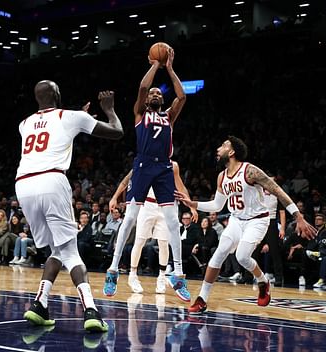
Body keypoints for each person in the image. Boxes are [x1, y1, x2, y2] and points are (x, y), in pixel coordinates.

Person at [16, 80, 123, 332]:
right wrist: (109, 109)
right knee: (72, 252)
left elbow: (53, 127)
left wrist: (80, 116)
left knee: (58, 249)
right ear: (58, 94)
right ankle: (91, 310)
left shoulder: (24, 124)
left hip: (23, 185)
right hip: (52, 179)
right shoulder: (71, 116)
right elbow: (117, 131)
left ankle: (40, 305)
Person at [175, 136, 317, 314]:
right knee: (218, 255)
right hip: (236, 220)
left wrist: (298, 216)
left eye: (223, 145)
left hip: (257, 220)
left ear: (232, 152)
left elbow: (278, 191)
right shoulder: (221, 177)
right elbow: (217, 206)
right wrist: (193, 204)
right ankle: (202, 299)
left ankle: (263, 281)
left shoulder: (250, 171)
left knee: (242, 256)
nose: (218, 149)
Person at [103, 46, 190, 302]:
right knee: (129, 219)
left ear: (161, 99)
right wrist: (155, 64)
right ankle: (113, 270)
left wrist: (170, 69)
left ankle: (178, 275)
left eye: (156, 93)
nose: (153, 93)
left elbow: (182, 97)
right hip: (142, 165)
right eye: (151, 92)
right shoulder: (140, 114)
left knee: (173, 222)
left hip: (163, 166)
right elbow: (142, 89)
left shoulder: (168, 116)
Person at [109, 161, 197, 295]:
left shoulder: (173, 165)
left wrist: (192, 206)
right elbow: (126, 181)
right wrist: (114, 197)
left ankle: (162, 277)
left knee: (163, 243)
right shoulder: (145, 161)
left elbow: (181, 187)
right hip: (147, 205)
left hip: (166, 205)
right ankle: (132, 275)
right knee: (139, 241)